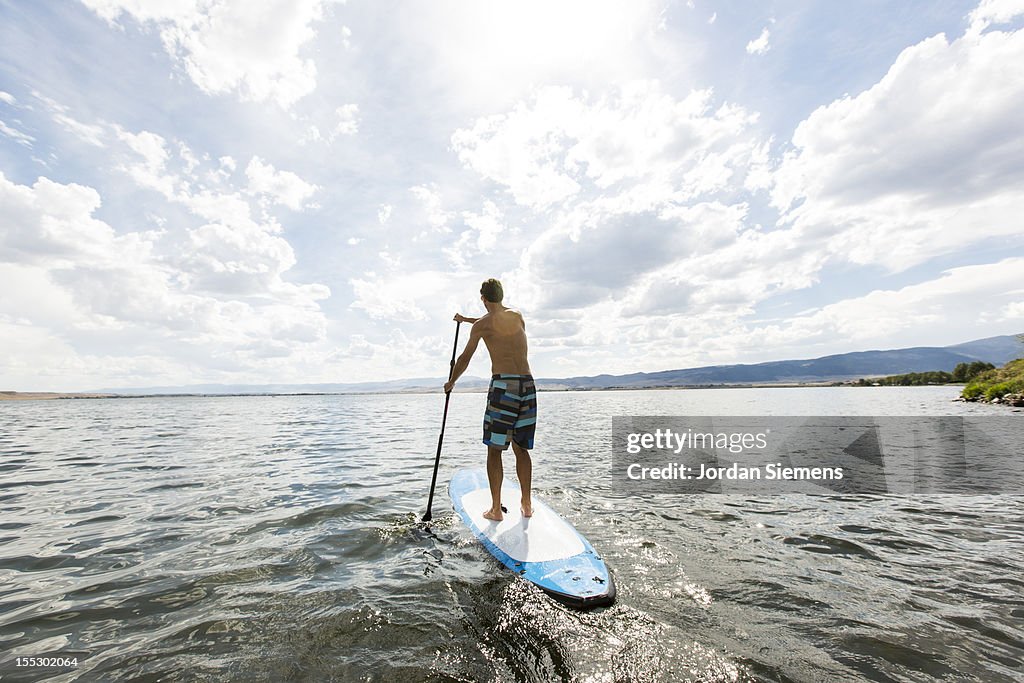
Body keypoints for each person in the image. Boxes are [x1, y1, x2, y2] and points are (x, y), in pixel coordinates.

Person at [444, 278, 536, 521]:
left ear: (483, 299)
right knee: (521, 448)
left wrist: (452, 381)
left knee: (495, 450)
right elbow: (497, 322)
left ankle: (496, 510)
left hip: (503, 387)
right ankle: (526, 504)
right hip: (527, 385)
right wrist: (467, 321)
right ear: (502, 296)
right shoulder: (516, 315)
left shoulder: (483, 325)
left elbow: (465, 358)